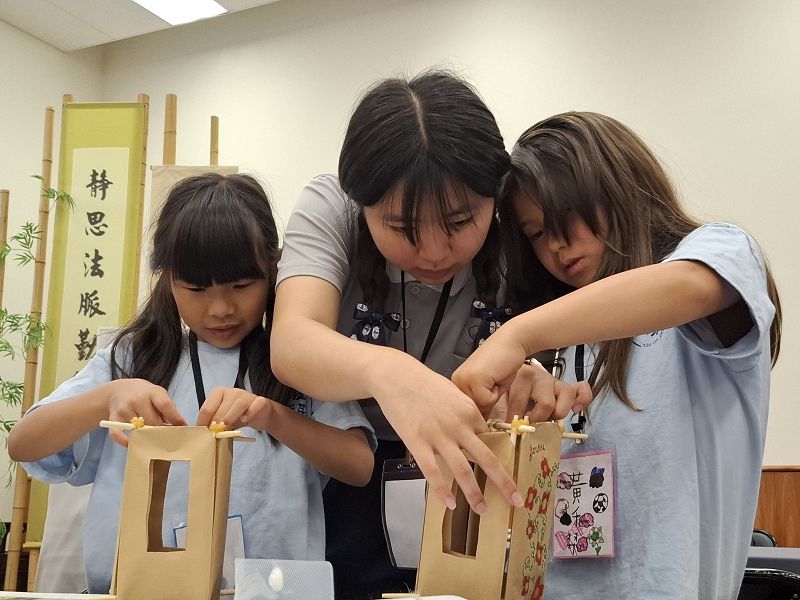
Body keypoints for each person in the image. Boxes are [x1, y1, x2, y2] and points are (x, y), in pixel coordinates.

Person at [271, 71, 591, 599]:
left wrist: (536, 377)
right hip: (348, 474)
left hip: (479, 477)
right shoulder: (332, 207)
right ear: (361, 202)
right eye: (403, 229)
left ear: (494, 193)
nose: (436, 252)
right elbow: (292, 342)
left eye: (460, 222)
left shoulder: (518, 222)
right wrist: (390, 373)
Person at [453, 111, 782, 599]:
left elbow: (692, 285)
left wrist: (516, 336)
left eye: (568, 215)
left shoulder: (720, 252)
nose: (557, 245)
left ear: (620, 187)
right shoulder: (563, 337)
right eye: (537, 233)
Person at [8, 173, 376, 594]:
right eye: (197, 289)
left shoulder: (295, 361)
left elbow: (359, 465)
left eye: (242, 285)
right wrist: (106, 396)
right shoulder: (134, 358)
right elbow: (23, 443)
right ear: (167, 278)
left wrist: (273, 416)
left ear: (275, 269)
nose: (220, 308)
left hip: (273, 590)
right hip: (142, 590)